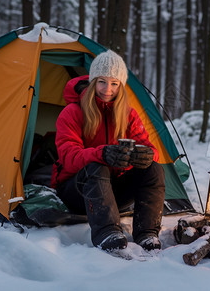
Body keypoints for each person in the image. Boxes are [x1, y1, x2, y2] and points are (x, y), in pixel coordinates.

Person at [51, 50, 165, 252]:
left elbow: (150, 148)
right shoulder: (72, 112)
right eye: (102, 82)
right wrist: (102, 153)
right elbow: (68, 157)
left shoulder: (128, 114)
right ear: (93, 81)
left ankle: (147, 233)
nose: (107, 89)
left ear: (120, 85)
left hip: (112, 191)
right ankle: (108, 232)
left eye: (114, 83)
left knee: (153, 168)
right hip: (77, 190)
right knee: (97, 166)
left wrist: (145, 155)